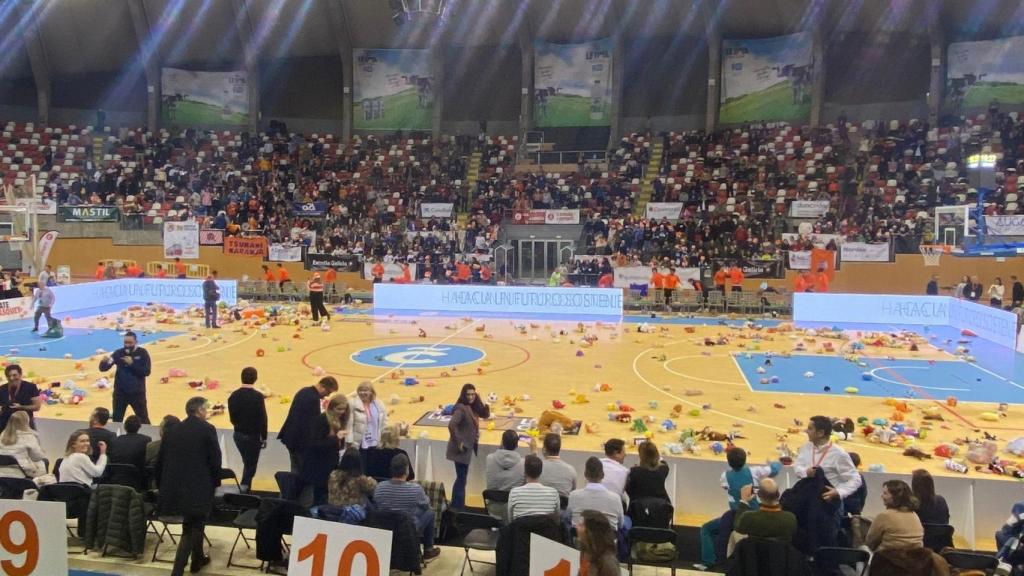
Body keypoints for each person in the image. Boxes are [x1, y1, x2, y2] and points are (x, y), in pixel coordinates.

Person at [157, 397, 221, 576]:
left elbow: (160, 461)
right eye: (206, 409)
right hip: (198, 487)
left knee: (195, 522)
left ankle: (197, 559)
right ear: (199, 410)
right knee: (191, 527)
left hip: (174, 487)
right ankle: (178, 570)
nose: (207, 412)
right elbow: (215, 460)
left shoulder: (172, 430)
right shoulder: (207, 429)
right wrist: (215, 484)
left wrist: (162, 487)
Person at [373, 454, 441, 560]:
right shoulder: (416, 489)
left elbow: (376, 505)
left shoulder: (379, 487)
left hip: (385, 528)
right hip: (407, 530)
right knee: (430, 512)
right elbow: (426, 505)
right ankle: (428, 548)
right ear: (407, 470)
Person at [278, 376, 338, 474]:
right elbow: (313, 425)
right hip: (300, 443)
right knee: (303, 472)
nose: (326, 396)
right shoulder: (313, 400)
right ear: (322, 387)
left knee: (295, 469)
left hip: (291, 438)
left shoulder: (303, 391)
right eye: (328, 392)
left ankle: (294, 487)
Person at [446, 383, 490, 509]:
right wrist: (459, 442)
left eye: (473, 394)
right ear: (463, 395)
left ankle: (458, 505)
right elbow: (451, 425)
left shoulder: (473, 406)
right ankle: (457, 506)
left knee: (462, 478)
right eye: (468, 394)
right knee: (461, 479)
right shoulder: (461, 409)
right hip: (460, 450)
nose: (471, 397)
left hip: (466, 450)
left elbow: (485, 414)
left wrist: (486, 403)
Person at [302, 394, 349, 505]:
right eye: (339, 409)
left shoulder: (339, 420)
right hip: (319, 465)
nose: (342, 412)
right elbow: (315, 444)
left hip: (331, 463)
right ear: (332, 407)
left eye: (344, 409)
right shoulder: (322, 420)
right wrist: (336, 438)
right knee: (318, 495)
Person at [99, 330, 152, 423]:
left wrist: (132, 364)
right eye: (125, 342)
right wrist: (103, 362)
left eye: (130, 343)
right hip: (120, 394)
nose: (127, 345)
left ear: (136, 342)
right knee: (117, 420)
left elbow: (146, 372)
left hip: (137, 394)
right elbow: (104, 368)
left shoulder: (142, 353)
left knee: (143, 419)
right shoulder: (118, 353)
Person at [228, 367, 267, 492]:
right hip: (253, 436)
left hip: (238, 435)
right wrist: (264, 436)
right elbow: (263, 418)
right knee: (250, 465)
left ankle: (245, 490)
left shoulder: (233, 396)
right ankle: (244, 491)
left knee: (248, 463)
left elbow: (232, 419)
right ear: (255, 379)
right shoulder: (258, 397)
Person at [730, 479, 798, 552]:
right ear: (778, 494)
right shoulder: (790, 518)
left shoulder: (749, 518)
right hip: (781, 559)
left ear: (759, 495)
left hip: (756, 558)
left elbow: (737, 526)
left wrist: (744, 501)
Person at [865, 480, 924, 553]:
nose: (882, 496)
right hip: (916, 559)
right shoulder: (915, 515)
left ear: (895, 497)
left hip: (889, 560)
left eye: (885, 493)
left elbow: (869, 542)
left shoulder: (884, 516)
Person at [567, 457, 624, 531]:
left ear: (585, 474)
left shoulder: (573, 496)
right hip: (607, 540)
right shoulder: (615, 498)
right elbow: (620, 524)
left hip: (579, 540)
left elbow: (568, 517)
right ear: (603, 475)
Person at [508, 454, 560, 520]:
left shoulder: (514, 493)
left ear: (525, 472)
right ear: (541, 472)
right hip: (544, 529)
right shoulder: (553, 493)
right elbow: (556, 520)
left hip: (521, 529)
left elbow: (511, 520)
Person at [0, 411, 47, 479]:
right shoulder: (29, 436)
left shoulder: (3, 435)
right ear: (26, 422)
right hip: (21, 472)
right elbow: (37, 457)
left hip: (2, 471)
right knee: (44, 462)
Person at [576, 510, 620, 576]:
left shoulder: (608, 563)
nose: (577, 526)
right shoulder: (585, 551)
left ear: (591, 532)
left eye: (582, 524)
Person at [346, 381, 386, 453]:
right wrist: (349, 440)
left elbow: (384, 422)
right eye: (360, 391)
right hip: (358, 442)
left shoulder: (379, 404)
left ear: (371, 392)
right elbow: (349, 424)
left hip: (375, 441)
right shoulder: (352, 403)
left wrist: (384, 439)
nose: (362, 393)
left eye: (365, 391)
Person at [0, 364, 40, 432]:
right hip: (4, 424)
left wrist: (21, 407)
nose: (11, 378)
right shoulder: (2, 389)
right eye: (9, 376)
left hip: (24, 424)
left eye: (14, 375)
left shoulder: (31, 387)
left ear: (20, 374)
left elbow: (37, 407)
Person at [538, 432, 577, 499]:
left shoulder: (536, 469)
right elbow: (573, 491)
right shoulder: (571, 470)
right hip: (563, 507)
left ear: (544, 449)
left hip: (541, 505)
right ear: (559, 448)